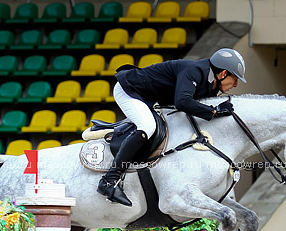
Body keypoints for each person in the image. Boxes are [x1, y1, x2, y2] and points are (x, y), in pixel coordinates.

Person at [98, 48, 247, 206]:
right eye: (235, 78)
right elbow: (182, 102)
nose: (236, 84)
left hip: (148, 98)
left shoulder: (212, 83)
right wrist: (215, 111)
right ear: (224, 73)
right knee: (148, 126)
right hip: (129, 90)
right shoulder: (195, 71)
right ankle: (110, 180)